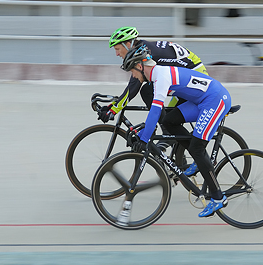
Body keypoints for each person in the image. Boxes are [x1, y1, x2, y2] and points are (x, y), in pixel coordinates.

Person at [121, 44, 230, 218]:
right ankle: (197, 159)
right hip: (200, 100)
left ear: (140, 66)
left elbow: (155, 110)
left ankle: (218, 197)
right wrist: (143, 134)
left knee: (197, 148)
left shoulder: (161, 76)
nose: (133, 76)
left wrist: (145, 137)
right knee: (169, 121)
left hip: (214, 100)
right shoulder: (157, 75)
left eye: (132, 71)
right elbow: (159, 116)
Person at [97, 26, 208, 123]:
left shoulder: (144, 53)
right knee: (169, 118)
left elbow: (133, 86)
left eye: (117, 49)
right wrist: (113, 107)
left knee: (147, 91)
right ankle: (168, 138)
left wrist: (113, 110)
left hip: (195, 75)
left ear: (127, 44)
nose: (117, 54)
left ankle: (167, 135)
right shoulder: (142, 48)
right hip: (186, 75)